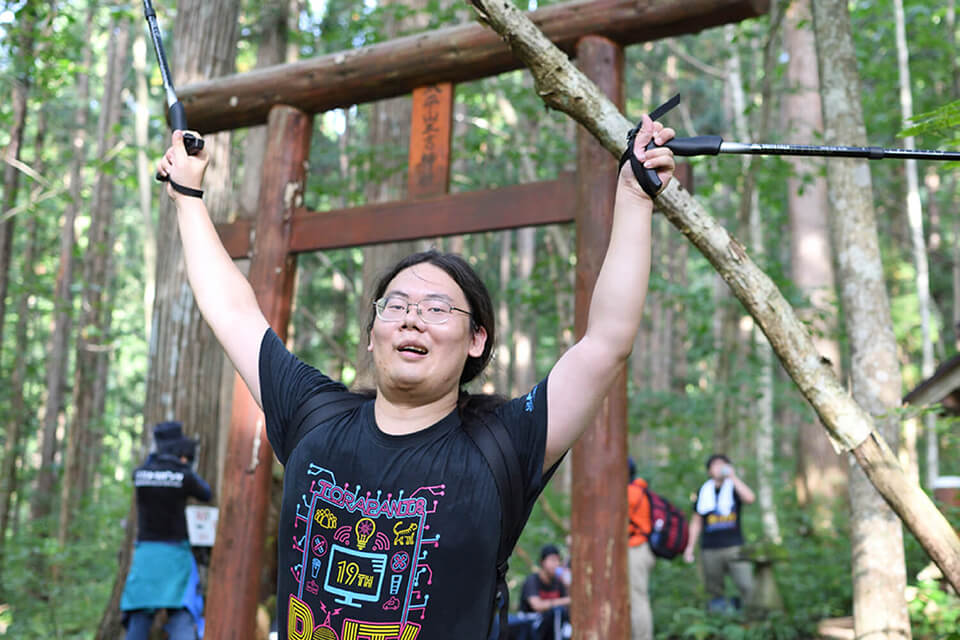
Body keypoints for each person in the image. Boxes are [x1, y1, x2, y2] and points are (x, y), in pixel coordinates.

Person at [156, 112, 675, 639]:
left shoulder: (505, 443)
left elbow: (606, 342)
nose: (411, 317)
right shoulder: (313, 415)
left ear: (478, 340)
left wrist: (633, 197)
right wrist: (188, 197)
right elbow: (234, 313)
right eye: (396, 305)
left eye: (436, 309)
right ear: (371, 332)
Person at [121, 421, 213, 640]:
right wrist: (183, 467)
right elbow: (206, 493)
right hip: (174, 557)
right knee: (182, 616)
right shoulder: (184, 476)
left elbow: (142, 471)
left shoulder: (141, 473)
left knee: (139, 617)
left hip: (146, 557)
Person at [683, 453, 756, 613]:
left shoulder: (734, 488)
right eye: (715, 465)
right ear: (709, 470)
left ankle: (750, 620)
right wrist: (689, 547)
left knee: (746, 585)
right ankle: (719, 623)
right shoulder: (703, 491)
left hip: (735, 546)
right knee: (714, 590)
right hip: (710, 548)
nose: (719, 468)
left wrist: (733, 478)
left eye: (722, 464)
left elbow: (750, 498)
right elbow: (696, 522)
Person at [627, 458, 656, 640]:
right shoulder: (638, 490)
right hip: (636, 548)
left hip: (636, 548)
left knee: (637, 599)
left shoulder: (631, 492)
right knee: (634, 598)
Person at [520, 545, 572, 640]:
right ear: (542, 562)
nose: (555, 564)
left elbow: (567, 608)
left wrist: (567, 585)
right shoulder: (532, 580)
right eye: (552, 560)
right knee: (556, 612)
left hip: (552, 626)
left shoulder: (558, 582)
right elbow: (537, 605)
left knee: (560, 614)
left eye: (557, 560)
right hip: (531, 625)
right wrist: (565, 601)